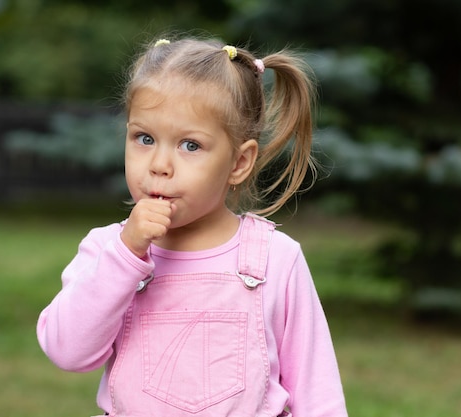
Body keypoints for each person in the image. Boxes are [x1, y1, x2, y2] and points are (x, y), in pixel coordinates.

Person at [37, 36, 348, 417]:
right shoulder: (108, 249)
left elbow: (318, 394)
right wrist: (126, 254)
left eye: (190, 146)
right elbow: (67, 351)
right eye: (144, 138)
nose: (159, 165)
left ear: (238, 162)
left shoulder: (275, 260)